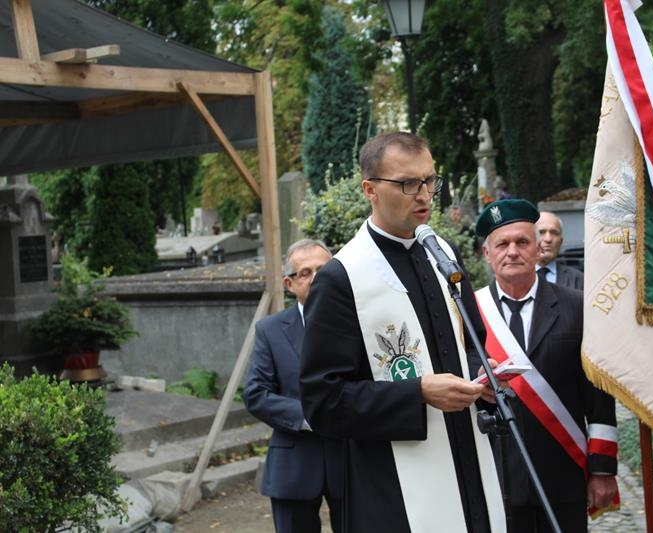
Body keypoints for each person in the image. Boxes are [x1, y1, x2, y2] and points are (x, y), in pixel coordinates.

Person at [299, 131, 506, 533]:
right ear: (370, 190)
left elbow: (470, 344)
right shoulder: (342, 278)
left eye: (430, 180)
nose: (425, 195)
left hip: (470, 461)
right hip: (393, 486)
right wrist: (417, 393)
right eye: (409, 183)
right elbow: (323, 401)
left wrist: (484, 374)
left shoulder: (443, 254)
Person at [474, 199, 618, 533]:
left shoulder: (576, 307)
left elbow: (598, 394)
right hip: (497, 476)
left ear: (538, 249)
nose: (512, 252)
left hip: (563, 474)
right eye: (502, 244)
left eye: (522, 242)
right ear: (487, 253)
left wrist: (602, 469)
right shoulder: (469, 312)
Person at [243, 239, 343, 533]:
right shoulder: (270, 330)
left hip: (351, 461)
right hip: (294, 463)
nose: (315, 278)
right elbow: (256, 394)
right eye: (305, 273)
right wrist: (310, 416)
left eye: (323, 270)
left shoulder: (358, 322)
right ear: (290, 283)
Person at [535, 211, 583, 290]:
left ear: (561, 241)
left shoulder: (577, 279)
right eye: (541, 232)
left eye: (554, 233)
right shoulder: (517, 276)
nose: (548, 239)